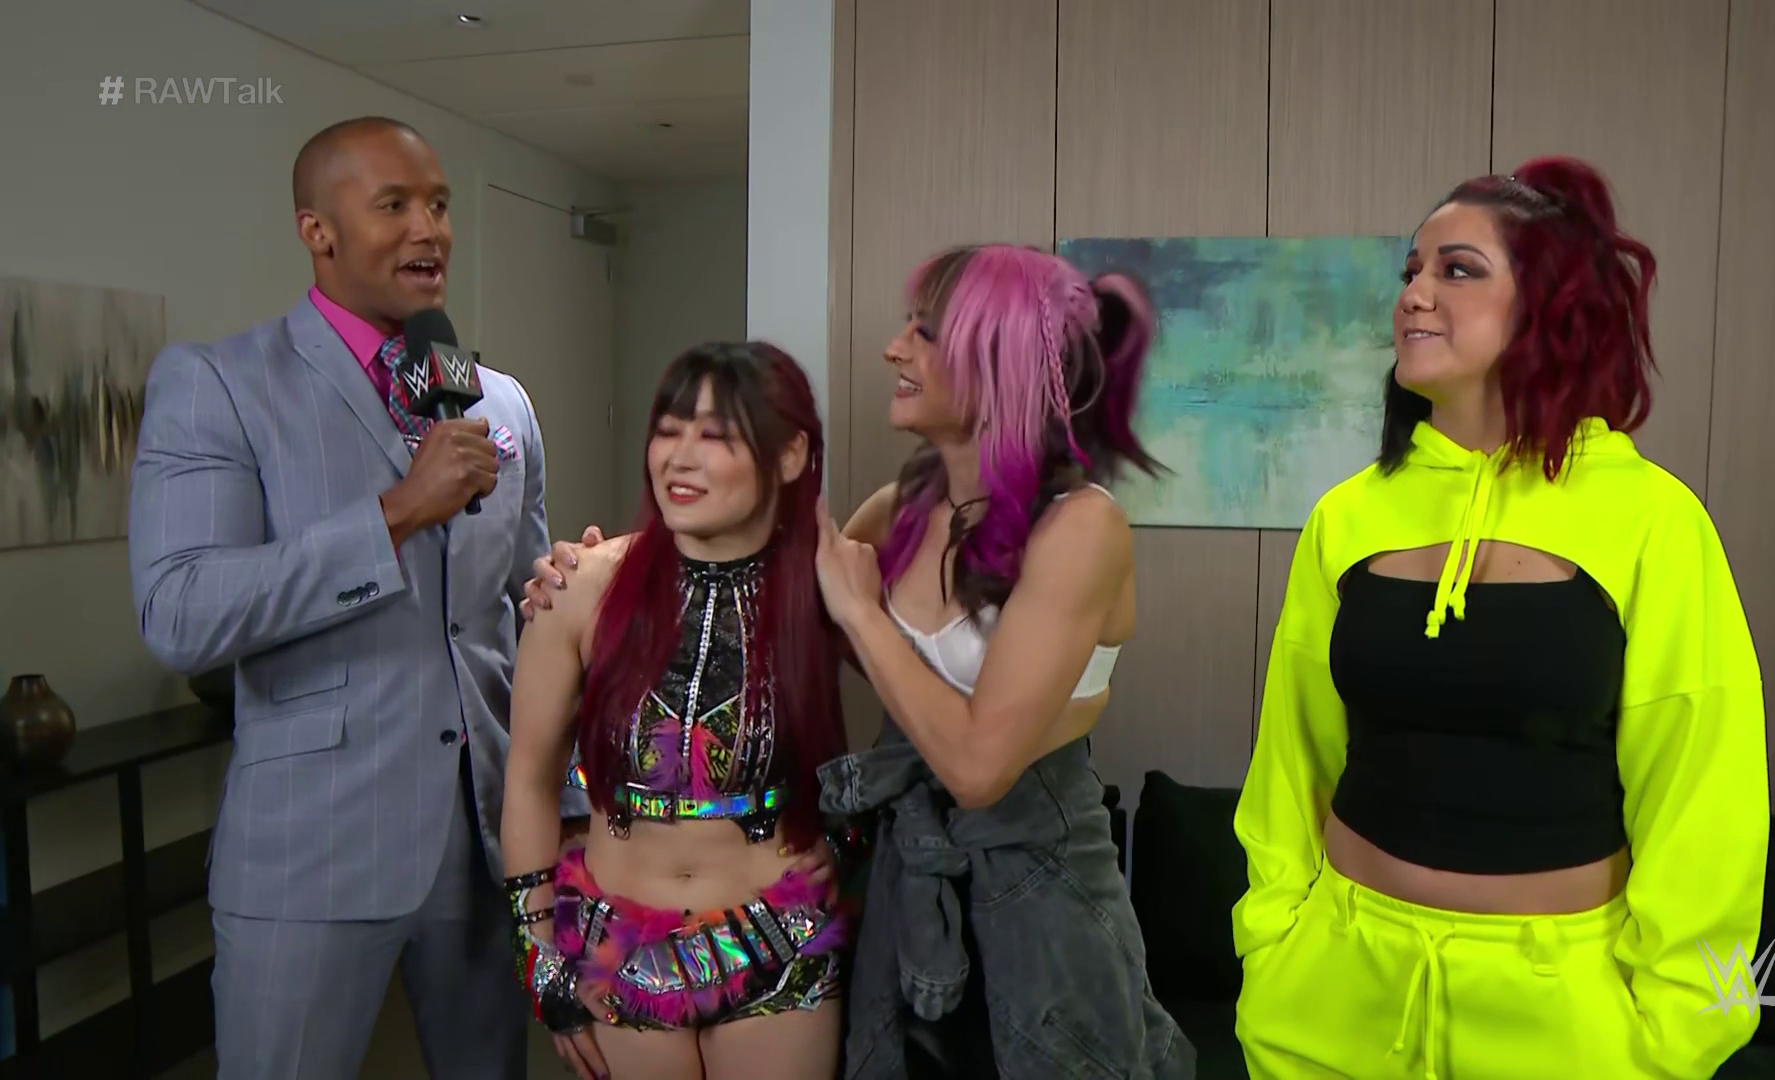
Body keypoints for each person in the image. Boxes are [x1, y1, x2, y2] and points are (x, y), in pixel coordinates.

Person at [523, 244, 1195, 1079]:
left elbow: (978, 767)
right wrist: (597, 572)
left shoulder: (1081, 526)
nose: (893, 349)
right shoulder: (901, 510)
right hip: (904, 881)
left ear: (998, 362)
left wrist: (860, 613)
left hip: (1038, 887)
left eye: (924, 333)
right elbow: (753, 588)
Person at [1230, 156, 1769, 1080]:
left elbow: (1706, 798)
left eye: (1458, 270)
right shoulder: (1348, 517)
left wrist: (1677, 1034)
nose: (1414, 294)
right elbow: (1292, 758)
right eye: (1411, 271)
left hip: (1561, 1024)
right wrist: (1269, 941)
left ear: (1551, 307)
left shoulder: (1653, 520)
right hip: (1329, 999)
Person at [129, 116, 571, 1080]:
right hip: (311, 851)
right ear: (317, 230)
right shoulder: (219, 385)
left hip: (486, 842)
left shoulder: (500, 404)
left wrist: (575, 598)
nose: (430, 229)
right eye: (394, 205)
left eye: (440, 205)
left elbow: (525, 619)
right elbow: (182, 611)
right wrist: (395, 516)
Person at [501, 341, 853, 1080]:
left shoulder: (830, 587)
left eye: (715, 435)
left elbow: (934, 702)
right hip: (617, 949)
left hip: (779, 942)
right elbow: (529, 781)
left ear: (791, 454)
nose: (680, 457)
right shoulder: (580, 588)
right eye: (667, 430)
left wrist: (849, 839)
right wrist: (540, 957)